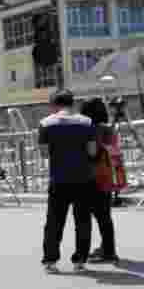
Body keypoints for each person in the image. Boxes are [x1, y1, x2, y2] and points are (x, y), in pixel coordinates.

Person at [38, 90, 97, 273]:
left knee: (54, 221)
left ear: (54, 104)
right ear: (73, 103)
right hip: (83, 179)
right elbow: (93, 151)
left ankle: (50, 261)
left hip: (59, 179)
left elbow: (42, 153)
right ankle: (80, 261)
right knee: (83, 221)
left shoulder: (46, 123)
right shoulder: (87, 122)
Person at [79, 98, 119, 263]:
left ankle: (107, 252)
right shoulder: (109, 129)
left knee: (92, 216)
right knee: (104, 216)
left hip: (92, 177)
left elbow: (93, 153)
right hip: (107, 175)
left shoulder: (92, 129)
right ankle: (107, 248)